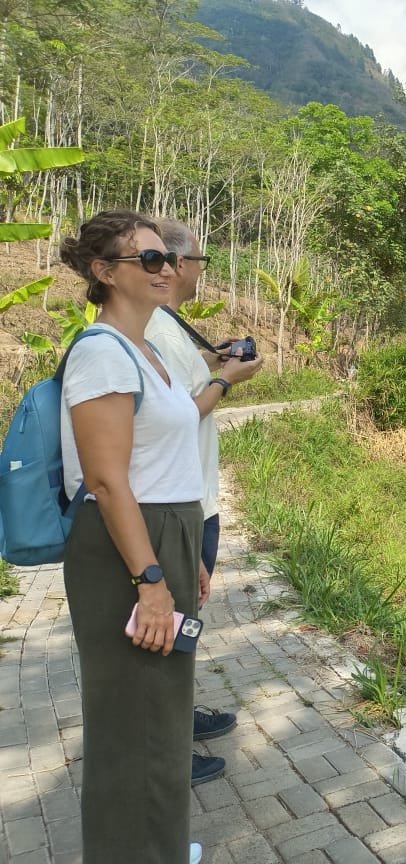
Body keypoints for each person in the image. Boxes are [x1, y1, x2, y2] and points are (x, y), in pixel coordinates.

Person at [59, 210, 205, 863]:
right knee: (132, 721)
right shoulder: (101, 352)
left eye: (167, 258)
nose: (166, 268)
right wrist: (150, 581)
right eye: (148, 259)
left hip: (164, 538)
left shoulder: (146, 349)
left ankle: (160, 848)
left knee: (162, 714)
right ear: (105, 272)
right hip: (129, 548)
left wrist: (186, 559)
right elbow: (107, 480)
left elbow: (163, 461)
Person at [146, 218, 264, 785]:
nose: (199, 270)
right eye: (199, 260)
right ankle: (164, 749)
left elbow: (181, 389)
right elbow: (174, 416)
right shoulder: (155, 329)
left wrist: (214, 363)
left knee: (185, 620)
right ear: (172, 264)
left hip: (193, 497)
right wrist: (229, 379)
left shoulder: (167, 325)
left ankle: (178, 718)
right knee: (171, 622)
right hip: (181, 500)